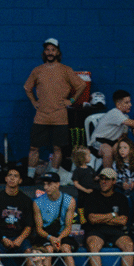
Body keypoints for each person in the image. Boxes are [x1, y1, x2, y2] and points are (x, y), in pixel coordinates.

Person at [23, 38, 87, 177]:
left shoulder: (65, 70)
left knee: (57, 148)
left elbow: (82, 85)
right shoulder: (38, 70)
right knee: (34, 147)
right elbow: (27, 87)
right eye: (47, 50)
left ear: (58, 52)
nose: (50, 52)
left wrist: (71, 100)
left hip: (59, 116)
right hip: (41, 115)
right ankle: (30, 176)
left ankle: (54, 175)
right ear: (44, 52)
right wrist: (34, 102)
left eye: (53, 50)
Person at [84, 168, 134, 266]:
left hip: (116, 231)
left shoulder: (121, 198)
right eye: (101, 179)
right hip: (96, 230)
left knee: (129, 245)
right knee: (93, 245)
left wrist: (102, 218)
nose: (103, 182)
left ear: (113, 181)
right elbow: (92, 219)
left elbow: (123, 220)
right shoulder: (92, 196)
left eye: (107, 179)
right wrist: (112, 215)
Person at [32, 172, 80, 266]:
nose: (46, 187)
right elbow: (39, 229)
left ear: (57, 184)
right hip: (46, 235)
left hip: (62, 235)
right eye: (44, 184)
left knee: (66, 249)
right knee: (48, 250)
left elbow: (68, 227)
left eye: (49, 184)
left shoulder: (69, 201)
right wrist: (51, 238)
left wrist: (58, 239)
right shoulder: (37, 203)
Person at [90, 90, 134, 169]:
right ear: (118, 104)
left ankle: (123, 173)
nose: (130, 105)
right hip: (98, 141)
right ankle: (108, 174)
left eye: (130, 102)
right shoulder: (115, 113)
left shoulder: (125, 117)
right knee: (108, 150)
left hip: (113, 142)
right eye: (126, 103)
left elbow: (123, 137)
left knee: (124, 149)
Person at [0, 165, 34, 258]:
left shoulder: (26, 200)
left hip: (19, 237)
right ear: (6, 179)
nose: (12, 178)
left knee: (29, 252)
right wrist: (3, 238)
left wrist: (20, 239)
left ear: (20, 180)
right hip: (0, 237)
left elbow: (29, 225)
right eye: (10, 175)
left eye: (15, 176)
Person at [111, 137, 134, 233]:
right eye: (120, 148)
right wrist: (121, 184)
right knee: (123, 200)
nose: (122, 150)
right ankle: (123, 223)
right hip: (120, 188)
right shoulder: (116, 164)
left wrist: (133, 183)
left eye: (125, 148)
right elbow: (114, 178)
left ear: (131, 150)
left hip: (132, 188)